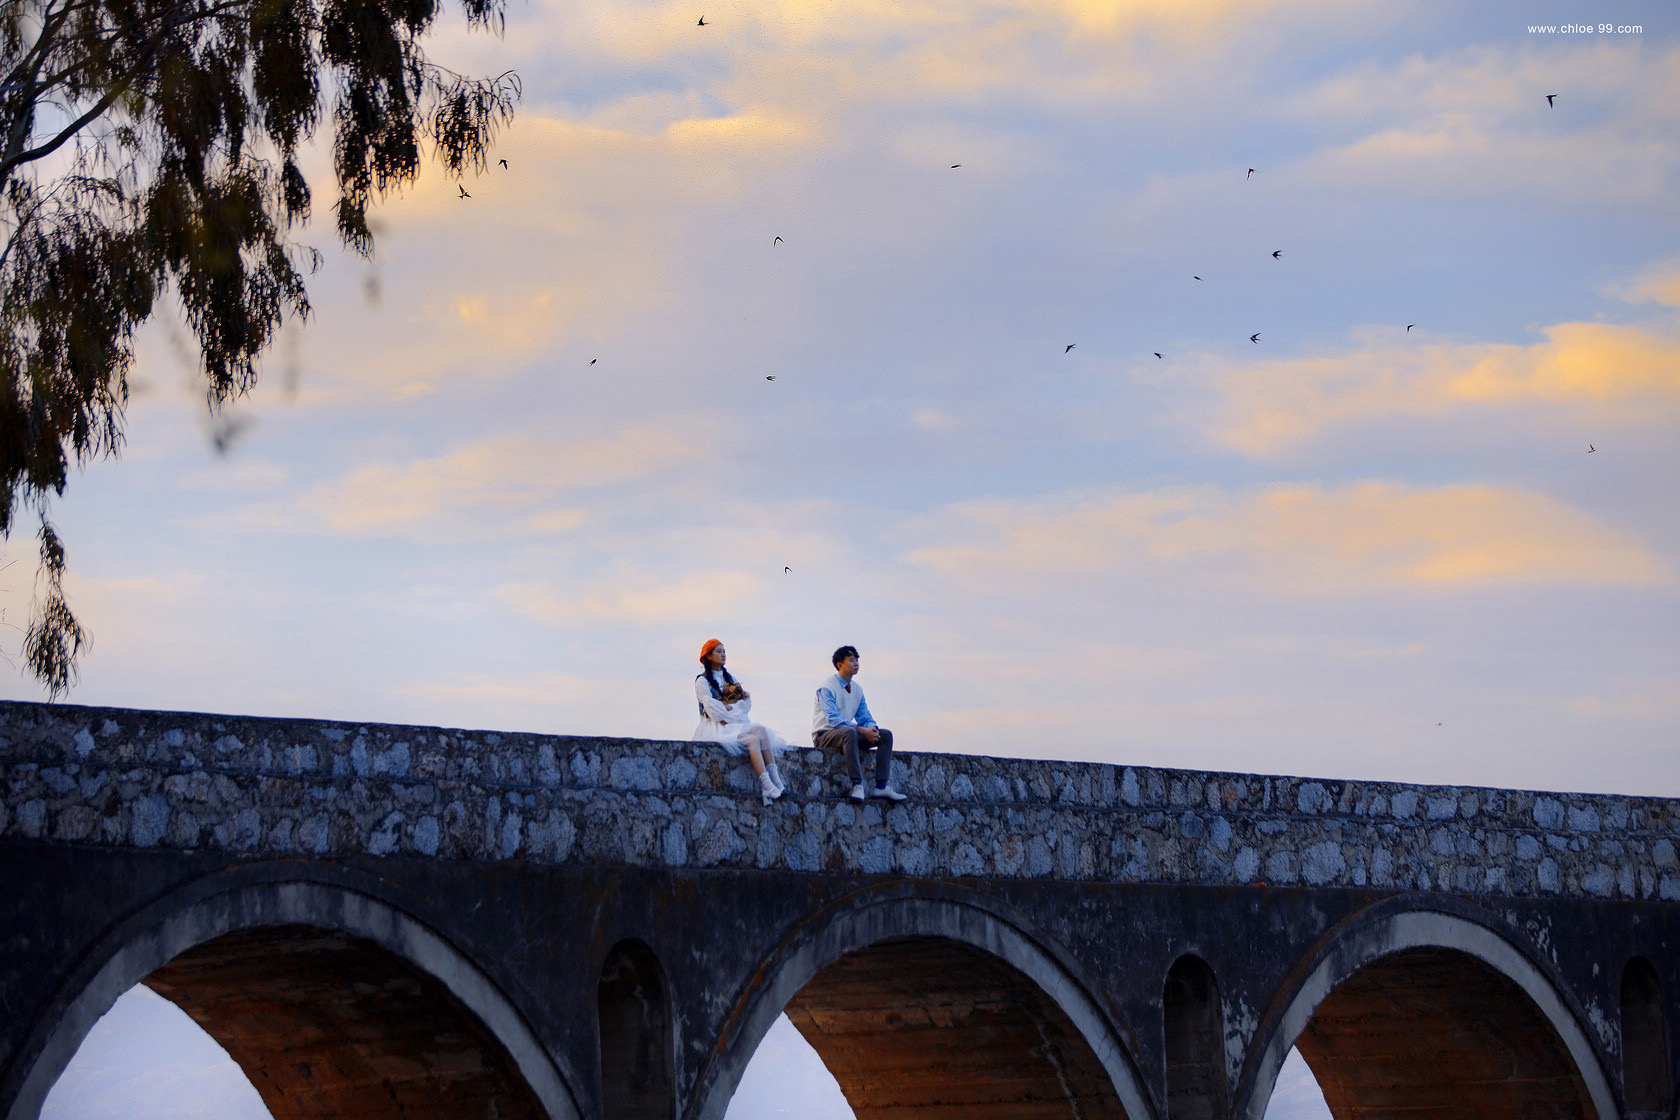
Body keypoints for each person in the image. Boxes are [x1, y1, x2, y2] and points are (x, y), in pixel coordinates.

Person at [694, 640, 789, 805]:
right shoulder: (702, 681)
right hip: (716, 727)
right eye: (718, 651)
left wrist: (731, 709)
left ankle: (776, 780)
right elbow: (714, 711)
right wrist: (731, 709)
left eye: (724, 651)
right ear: (708, 656)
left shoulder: (730, 678)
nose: (723, 654)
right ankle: (766, 785)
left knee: (761, 730)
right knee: (753, 740)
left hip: (733, 723)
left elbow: (745, 704)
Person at [812, 645, 906, 802]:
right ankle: (857, 785)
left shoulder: (857, 689)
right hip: (825, 735)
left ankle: (881, 787)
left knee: (885, 735)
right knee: (849, 732)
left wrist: (872, 729)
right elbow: (833, 719)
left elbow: (864, 716)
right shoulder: (827, 687)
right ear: (839, 664)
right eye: (851, 660)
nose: (856, 663)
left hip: (849, 735)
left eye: (856, 660)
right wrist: (862, 730)